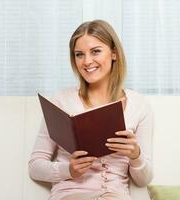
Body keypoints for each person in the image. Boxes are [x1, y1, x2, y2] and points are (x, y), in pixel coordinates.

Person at [28, 19, 154, 200]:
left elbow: (144, 179)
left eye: (95, 51)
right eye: (79, 54)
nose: (87, 61)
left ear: (114, 53)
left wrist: (136, 155)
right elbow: (35, 166)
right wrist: (69, 170)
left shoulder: (139, 105)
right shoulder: (60, 102)